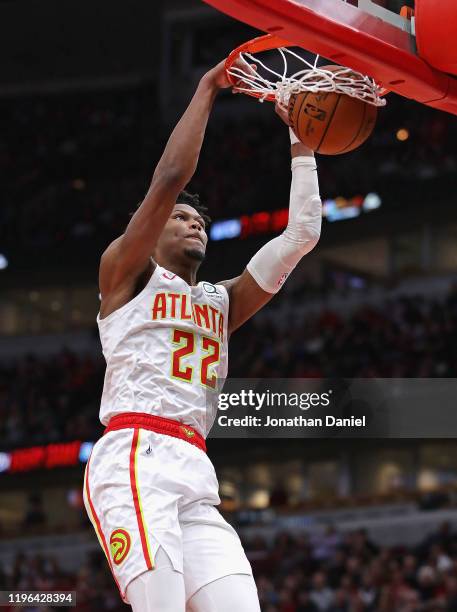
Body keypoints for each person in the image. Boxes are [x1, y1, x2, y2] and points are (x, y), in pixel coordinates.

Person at [82, 56, 322, 612]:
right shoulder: (125, 273)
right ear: (152, 231)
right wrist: (208, 88)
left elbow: (303, 233)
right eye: (181, 219)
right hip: (135, 454)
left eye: (202, 222)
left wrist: (302, 142)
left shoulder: (221, 301)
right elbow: (171, 179)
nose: (195, 223)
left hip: (195, 467)